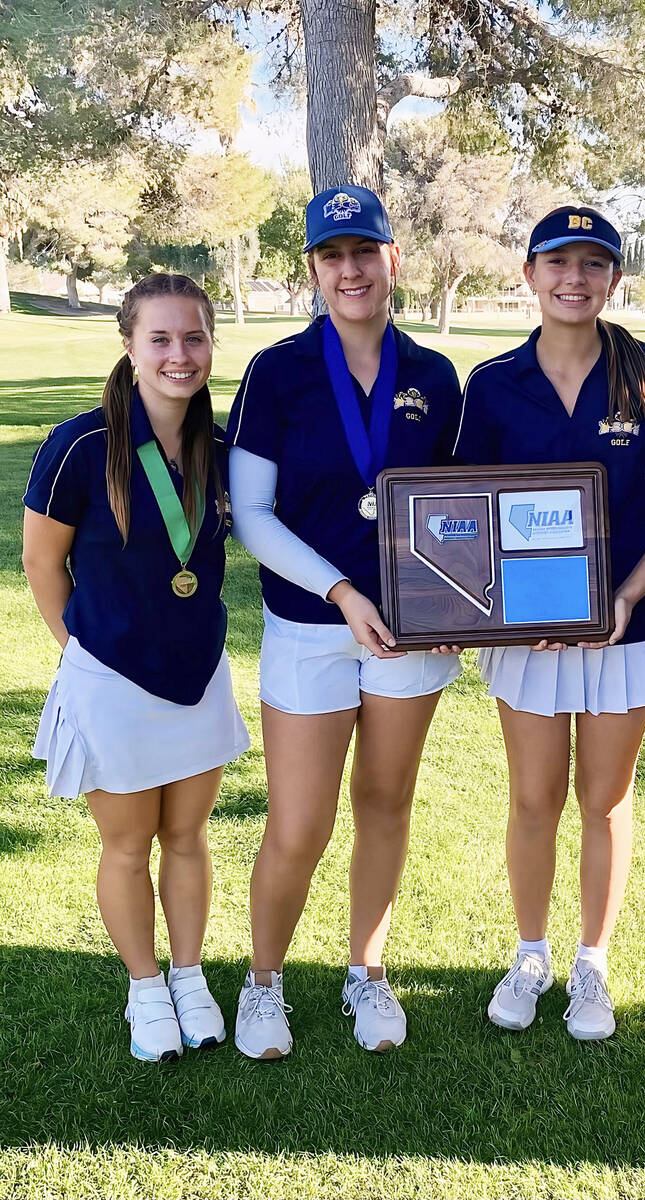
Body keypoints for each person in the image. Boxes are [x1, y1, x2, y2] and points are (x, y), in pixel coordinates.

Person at [454, 207, 645, 1039]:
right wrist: (484, 608)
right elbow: (467, 514)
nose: (574, 278)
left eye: (593, 265)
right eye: (557, 262)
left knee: (605, 798)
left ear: (614, 281)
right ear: (528, 275)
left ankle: (591, 962)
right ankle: (531, 953)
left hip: (626, 627)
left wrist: (626, 595)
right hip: (527, 634)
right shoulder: (492, 384)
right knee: (533, 797)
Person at [226, 185, 463, 1059]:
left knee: (385, 803)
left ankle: (367, 971)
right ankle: (263, 983)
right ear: (315, 272)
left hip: (410, 629)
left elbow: (457, 511)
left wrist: (457, 601)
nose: (351, 270)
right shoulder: (278, 371)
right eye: (333, 256)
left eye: (365, 251)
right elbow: (252, 514)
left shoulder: (436, 378)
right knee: (299, 823)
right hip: (311, 623)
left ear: (394, 259)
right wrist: (341, 593)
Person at [22, 274, 250, 1063]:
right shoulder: (82, 446)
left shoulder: (222, 449)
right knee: (128, 845)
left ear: (211, 345)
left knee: (187, 837)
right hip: (110, 677)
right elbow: (41, 562)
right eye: (160, 338)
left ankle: (189, 976)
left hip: (197, 673)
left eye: (193, 337)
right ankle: (146, 988)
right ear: (128, 344)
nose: (178, 355)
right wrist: (80, 656)